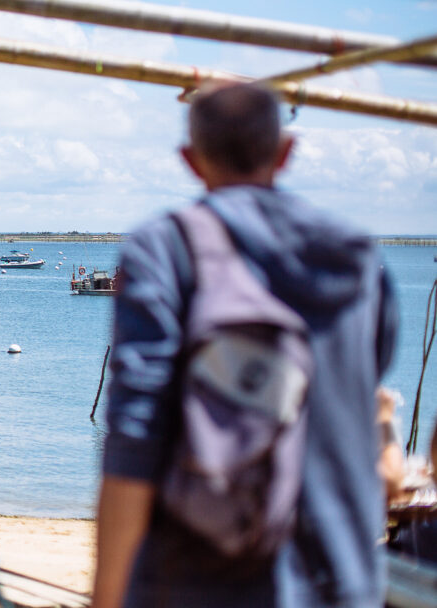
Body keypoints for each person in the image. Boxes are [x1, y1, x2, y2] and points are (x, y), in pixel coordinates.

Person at [93, 82, 398, 608]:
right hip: (341, 577)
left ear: (190, 160)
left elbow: (134, 440)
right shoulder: (355, 255)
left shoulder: (166, 247)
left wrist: (107, 595)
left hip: (198, 579)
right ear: (285, 152)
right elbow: (367, 385)